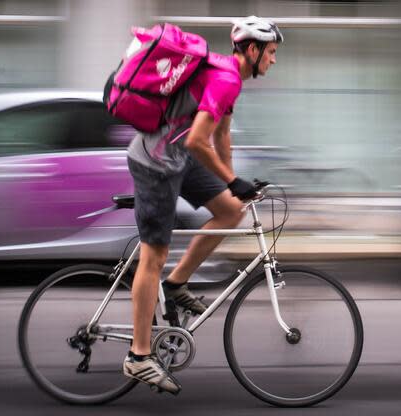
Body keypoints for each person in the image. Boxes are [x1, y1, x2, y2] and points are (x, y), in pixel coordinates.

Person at [122, 16, 283, 394]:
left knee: (230, 211)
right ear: (253, 50)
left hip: (178, 156)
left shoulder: (230, 78)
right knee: (153, 258)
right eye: (272, 52)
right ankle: (139, 356)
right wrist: (230, 179)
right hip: (156, 162)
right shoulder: (226, 77)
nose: (274, 60)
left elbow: (221, 135)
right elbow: (198, 140)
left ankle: (177, 284)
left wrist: (235, 182)